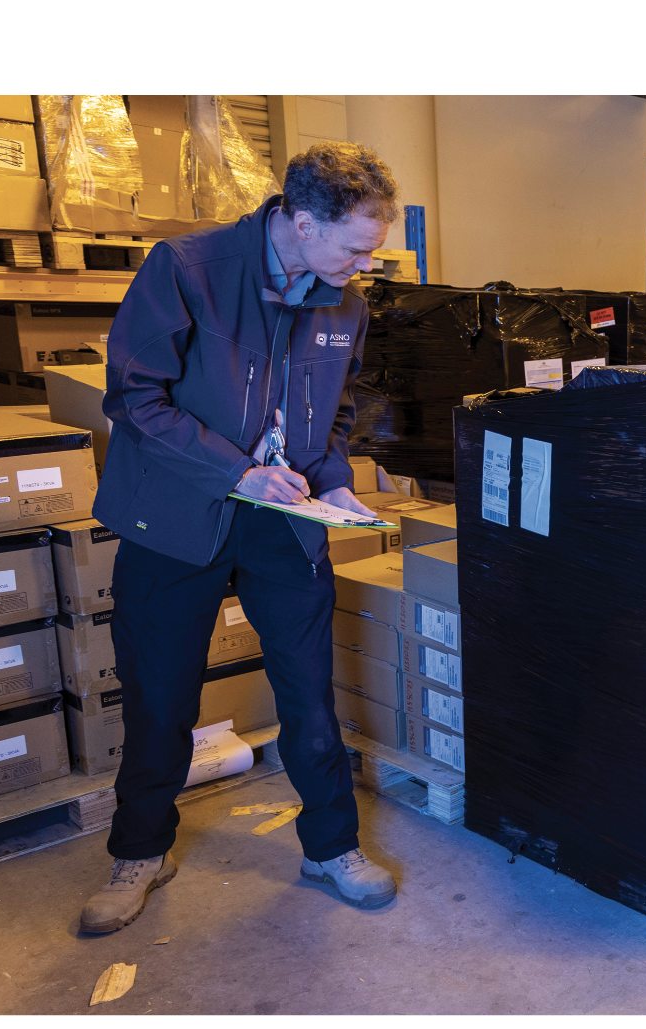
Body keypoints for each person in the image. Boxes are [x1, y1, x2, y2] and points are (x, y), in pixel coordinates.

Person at [78, 143, 402, 934]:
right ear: (300, 222)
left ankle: (330, 847)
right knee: (160, 694)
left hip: (284, 518)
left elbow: (339, 403)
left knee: (308, 691)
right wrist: (234, 472)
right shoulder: (188, 270)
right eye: (356, 246)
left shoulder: (344, 302)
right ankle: (139, 850)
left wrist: (331, 478)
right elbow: (136, 398)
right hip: (180, 511)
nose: (365, 265)